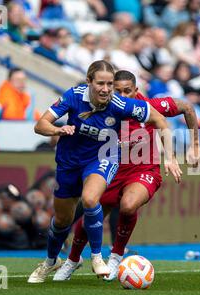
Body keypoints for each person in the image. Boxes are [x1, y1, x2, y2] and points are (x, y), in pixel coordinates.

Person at [27, 60, 182, 283]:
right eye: (101, 83)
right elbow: (40, 125)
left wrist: (171, 156)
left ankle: (98, 257)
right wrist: (58, 129)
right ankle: (52, 261)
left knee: (91, 199)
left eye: (110, 84)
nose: (106, 89)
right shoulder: (73, 96)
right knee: (62, 220)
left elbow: (159, 119)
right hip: (69, 162)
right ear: (89, 82)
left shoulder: (119, 104)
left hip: (102, 159)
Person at [52, 69, 200, 282]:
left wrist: (195, 145)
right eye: (118, 91)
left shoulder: (148, 107)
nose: (123, 96)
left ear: (136, 91)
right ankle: (72, 260)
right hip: (110, 170)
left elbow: (186, 107)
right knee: (90, 216)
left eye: (128, 91)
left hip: (143, 170)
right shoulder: (104, 108)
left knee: (128, 204)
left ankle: (116, 256)